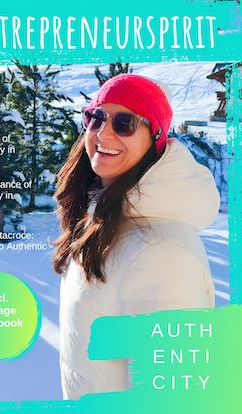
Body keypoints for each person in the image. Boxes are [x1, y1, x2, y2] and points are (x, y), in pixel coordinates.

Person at [52, 74, 220, 400]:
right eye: (95, 117)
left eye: (125, 122)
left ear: (154, 139)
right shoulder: (102, 215)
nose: (103, 132)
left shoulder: (163, 253)